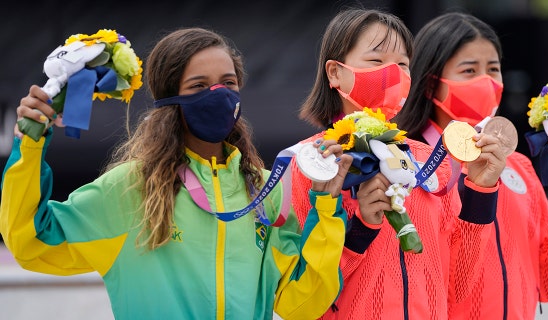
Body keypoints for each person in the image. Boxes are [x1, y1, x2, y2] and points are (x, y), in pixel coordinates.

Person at [0, 27, 354, 320]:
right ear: (169, 99)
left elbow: (301, 304)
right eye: (199, 86)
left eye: (228, 84)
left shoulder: (263, 189)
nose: (218, 95)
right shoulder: (130, 189)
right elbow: (32, 242)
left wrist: (325, 205)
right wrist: (30, 146)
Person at [290, 8, 506, 319]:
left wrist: (481, 193)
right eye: (377, 61)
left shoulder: (429, 162)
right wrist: (360, 230)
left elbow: (457, 287)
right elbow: (302, 298)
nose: (394, 74)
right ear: (335, 72)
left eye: (403, 64)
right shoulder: (309, 162)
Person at [394, 12, 548, 319]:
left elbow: (547, 285)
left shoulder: (518, 167)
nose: (487, 82)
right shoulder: (411, 170)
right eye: (469, 70)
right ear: (429, 84)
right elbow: (427, 286)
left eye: (493, 69)